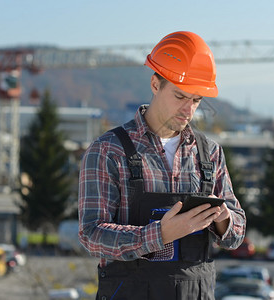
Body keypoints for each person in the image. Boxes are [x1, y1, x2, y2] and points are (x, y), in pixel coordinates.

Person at [78, 31, 246, 300]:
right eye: (180, 97)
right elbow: (91, 234)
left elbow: (237, 233)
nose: (189, 109)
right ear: (155, 84)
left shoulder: (209, 153)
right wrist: (159, 235)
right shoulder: (109, 150)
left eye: (196, 100)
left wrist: (224, 220)